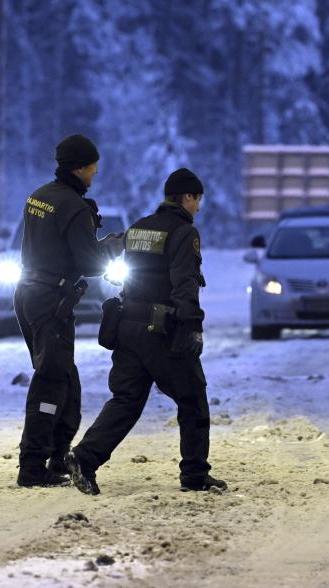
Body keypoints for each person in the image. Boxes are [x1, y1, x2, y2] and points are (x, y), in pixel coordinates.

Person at [65, 168, 226, 495]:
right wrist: (192, 327)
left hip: (127, 326)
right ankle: (195, 474)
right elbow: (185, 282)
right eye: (198, 201)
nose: (198, 208)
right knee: (193, 398)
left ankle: (84, 458)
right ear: (188, 197)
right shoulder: (183, 233)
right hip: (160, 331)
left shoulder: (139, 227)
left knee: (127, 399)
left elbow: (108, 252)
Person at [14, 134, 123, 487]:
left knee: (64, 376)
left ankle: (58, 456)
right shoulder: (74, 206)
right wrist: (114, 245)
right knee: (50, 379)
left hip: (28, 293)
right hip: (51, 300)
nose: (94, 173)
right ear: (79, 167)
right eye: (92, 166)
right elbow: (90, 264)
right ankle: (32, 467)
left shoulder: (39, 196)